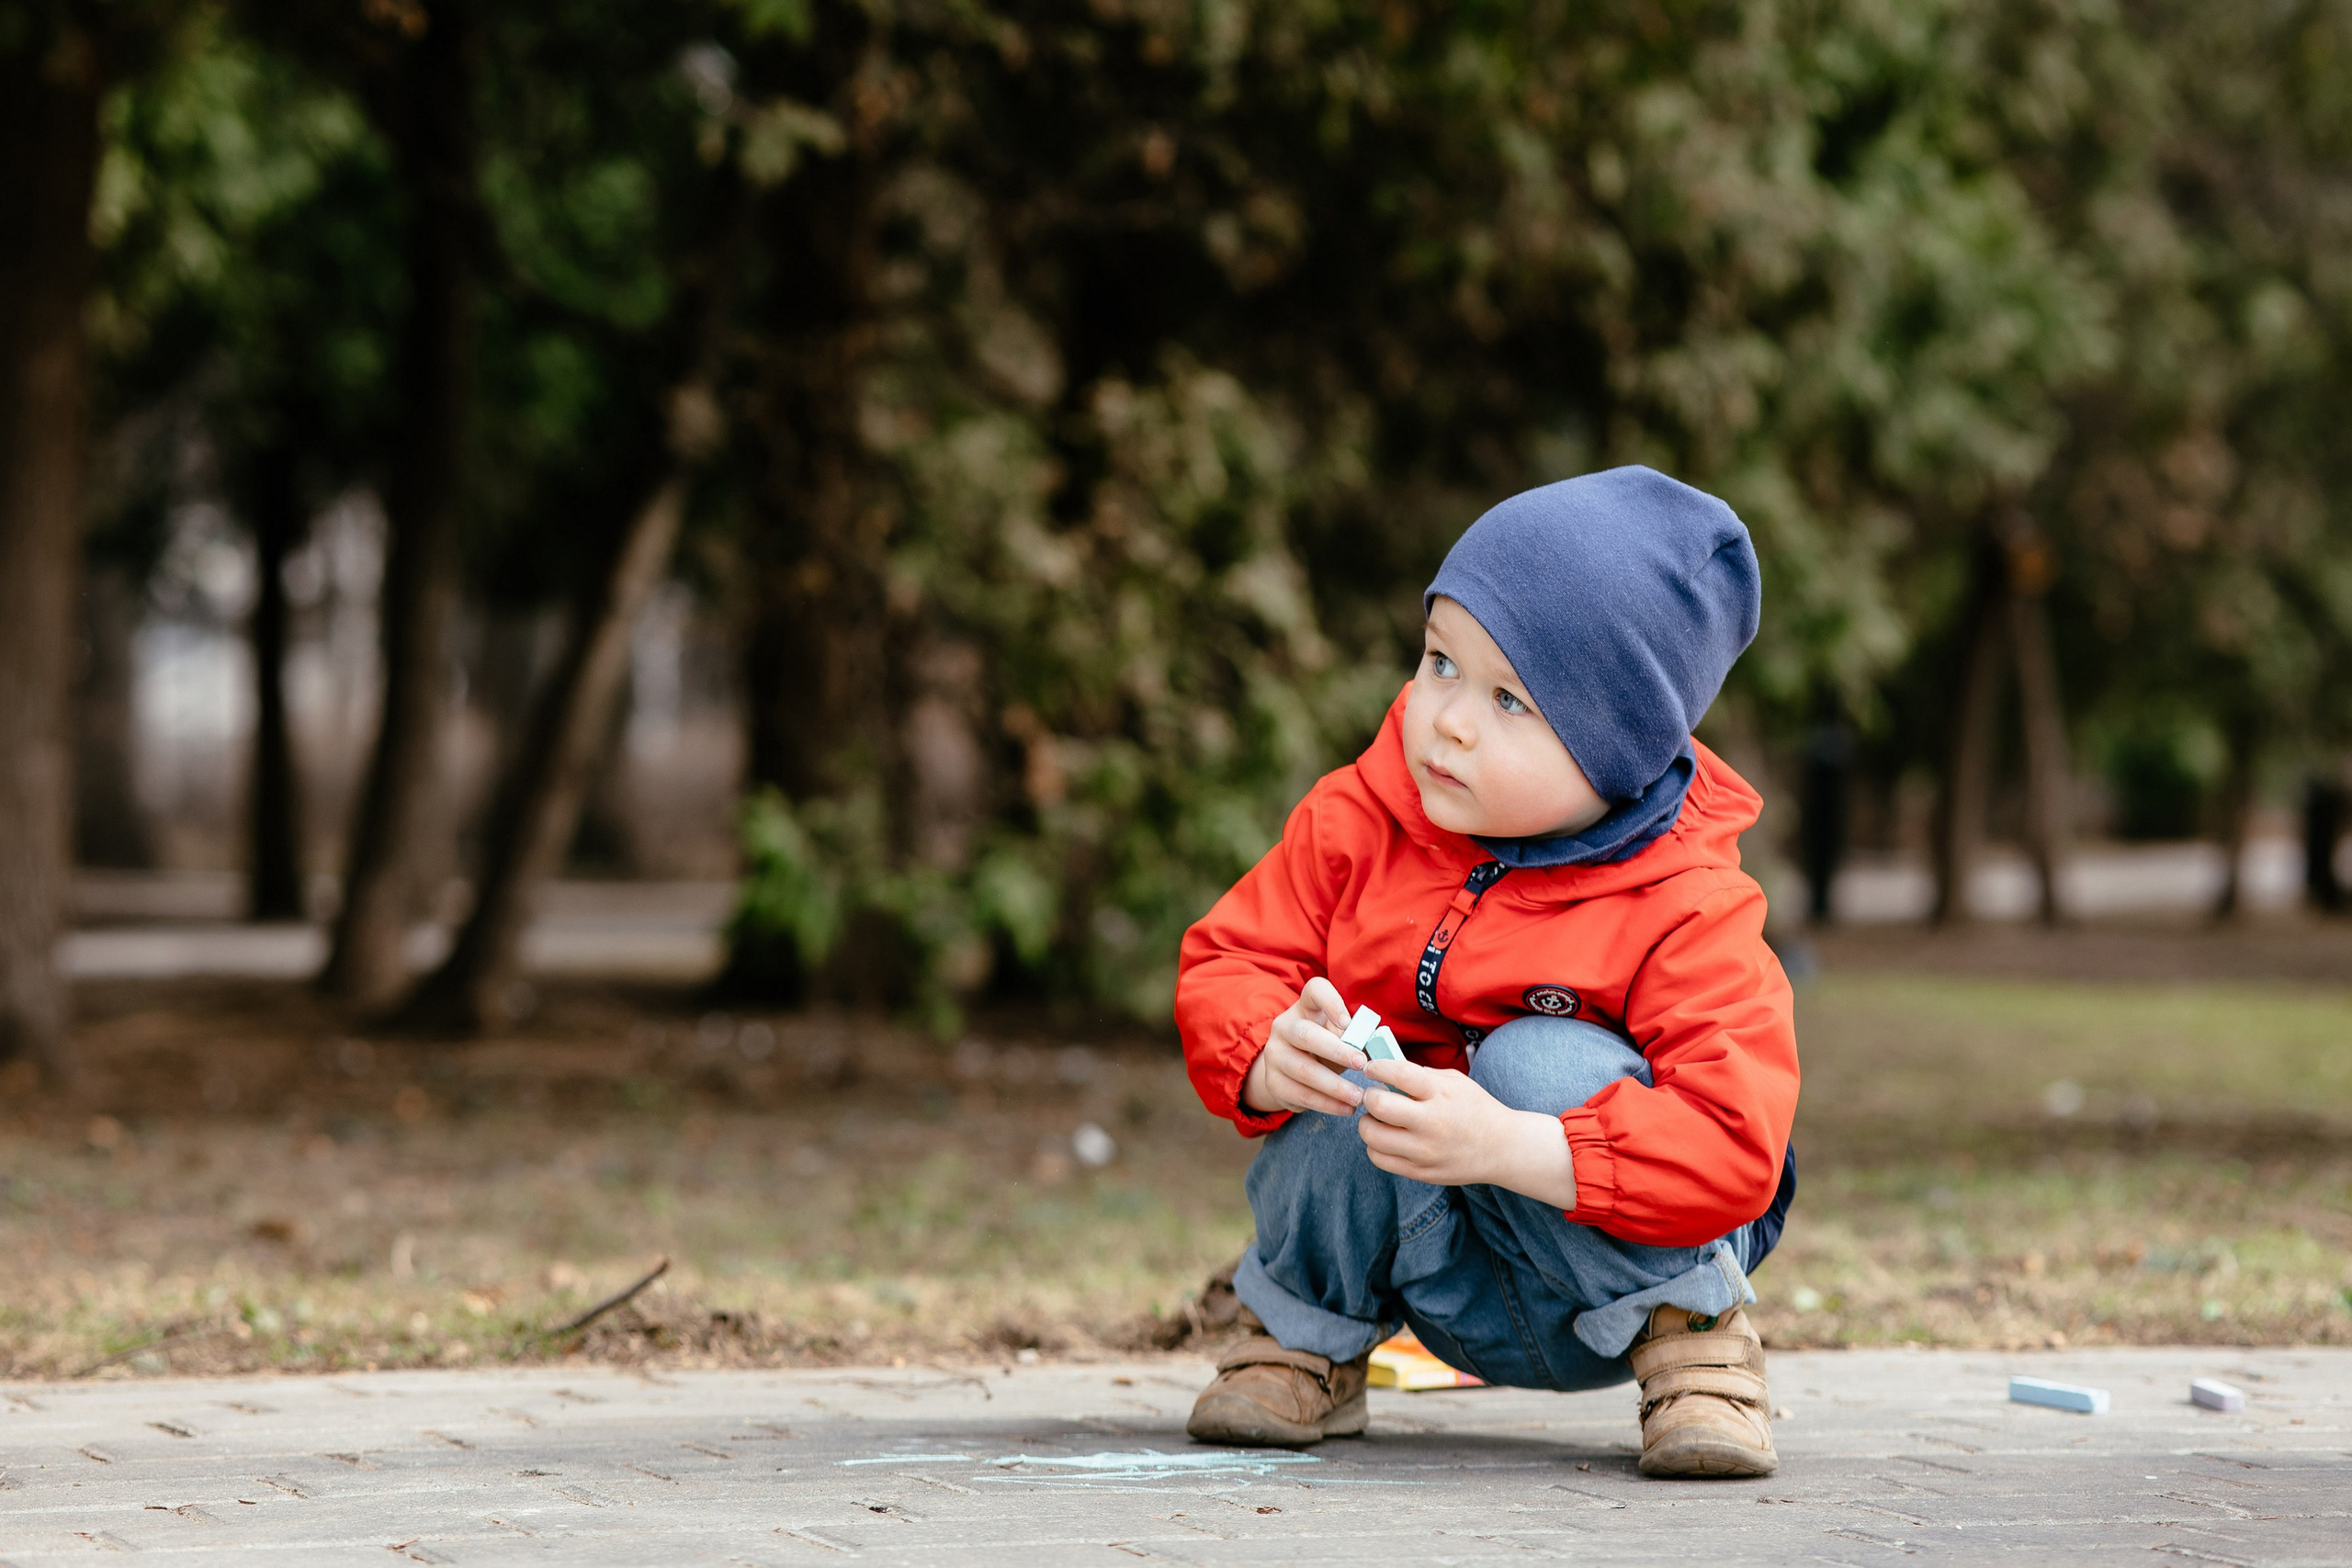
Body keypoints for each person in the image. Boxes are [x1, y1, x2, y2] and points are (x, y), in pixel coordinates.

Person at [1174, 466, 1798, 1479]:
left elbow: (1735, 1141)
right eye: (1440, 662)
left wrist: (1513, 1143)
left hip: (1605, 1282)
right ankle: (1301, 1341)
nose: (1450, 719)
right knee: (1341, 1064)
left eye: (1510, 698)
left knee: (1536, 1060)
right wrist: (1265, 1051)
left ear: (1615, 751)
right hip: (1430, 1271)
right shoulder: (1358, 819)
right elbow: (1230, 955)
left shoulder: (1687, 900)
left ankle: (1698, 1353)